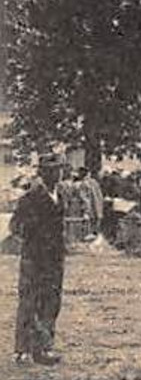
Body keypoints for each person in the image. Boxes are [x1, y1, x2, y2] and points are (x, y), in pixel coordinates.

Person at [12, 154, 67, 365]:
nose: (57, 173)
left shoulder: (60, 195)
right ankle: (23, 350)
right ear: (43, 173)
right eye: (52, 170)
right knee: (29, 301)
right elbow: (16, 226)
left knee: (51, 302)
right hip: (34, 258)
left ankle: (44, 347)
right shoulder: (30, 197)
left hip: (54, 258)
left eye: (59, 169)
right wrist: (34, 234)